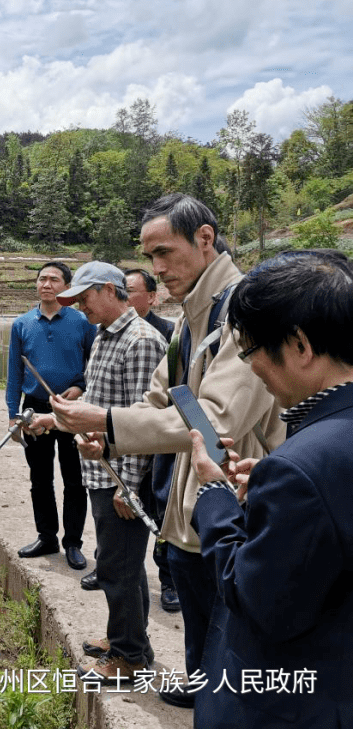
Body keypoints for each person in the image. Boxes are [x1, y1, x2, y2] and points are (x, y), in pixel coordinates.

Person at [51, 194, 284, 709]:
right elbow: (160, 397)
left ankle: (221, 706)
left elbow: (216, 420)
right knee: (200, 617)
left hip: (234, 498)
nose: (155, 269)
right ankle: (201, 687)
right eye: (148, 256)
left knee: (234, 631)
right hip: (189, 502)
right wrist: (108, 432)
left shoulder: (244, 311)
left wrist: (107, 421)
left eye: (164, 252)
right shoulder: (190, 316)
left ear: (204, 239)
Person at [189, 250, 353, 727]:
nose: (253, 366)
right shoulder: (309, 459)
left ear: (299, 344)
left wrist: (215, 496)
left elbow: (258, 602)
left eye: (251, 350)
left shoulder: (298, 469)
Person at [32, 261, 167, 681]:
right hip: (101, 467)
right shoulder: (105, 336)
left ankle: (127, 657)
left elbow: (144, 419)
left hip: (122, 476)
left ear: (110, 291)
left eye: (84, 299)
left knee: (117, 565)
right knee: (121, 563)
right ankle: (130, 638)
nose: (80, 308)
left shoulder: (142, 340)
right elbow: (102, 399)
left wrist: (128, 486)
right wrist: (56, 420)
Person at [6, 261, 96, 570]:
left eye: (54, 279)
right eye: (42, 278)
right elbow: (14, 374)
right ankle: (47, 537)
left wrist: (79, 387)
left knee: (74, 479)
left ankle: (73, 543)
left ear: (66, 286)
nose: (46, 284)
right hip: (34, 407)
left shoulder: (83, 322)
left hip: (71, 408)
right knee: (39, 478)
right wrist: (12, 414)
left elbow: (93, 366)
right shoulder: (22, 324)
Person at [124, 267, 179, 613]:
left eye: (130, 290)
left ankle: (169, 581)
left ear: (151, 297)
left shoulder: (170, 334)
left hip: (162, 438)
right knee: (124, 510)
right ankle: (115, 570)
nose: (124, 296)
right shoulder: (108, 331)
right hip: (127, 434)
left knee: (162, 510)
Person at [124, 268, 174, 342]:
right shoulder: (105, 328)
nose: (121, 296)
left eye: (128, 291)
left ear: (151, 297)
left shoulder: (170, 331)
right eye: (119, 291)